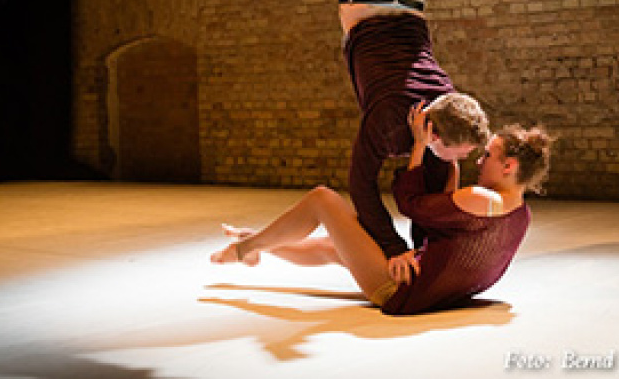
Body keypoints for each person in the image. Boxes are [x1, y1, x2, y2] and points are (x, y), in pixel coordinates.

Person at [210, 105, 553, 315]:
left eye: (488, 156)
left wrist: (419, 145)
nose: (479, 160)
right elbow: (448, 229)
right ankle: (256, 242)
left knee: (323, 199)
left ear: (508, 166)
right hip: (435, 293)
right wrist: (450, 166)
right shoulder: (520, 213)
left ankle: (244, 249)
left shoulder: (483, 198)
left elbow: (412, 205)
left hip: (402, 293)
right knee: (336, 248)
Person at [312, 0, 489, 271]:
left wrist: (421, 251)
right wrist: (394, 248)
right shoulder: (392, 120)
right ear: (436, 136)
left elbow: (427, 210)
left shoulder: (449, 102)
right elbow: (361, 187)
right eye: (458, 154)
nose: (461, 161)